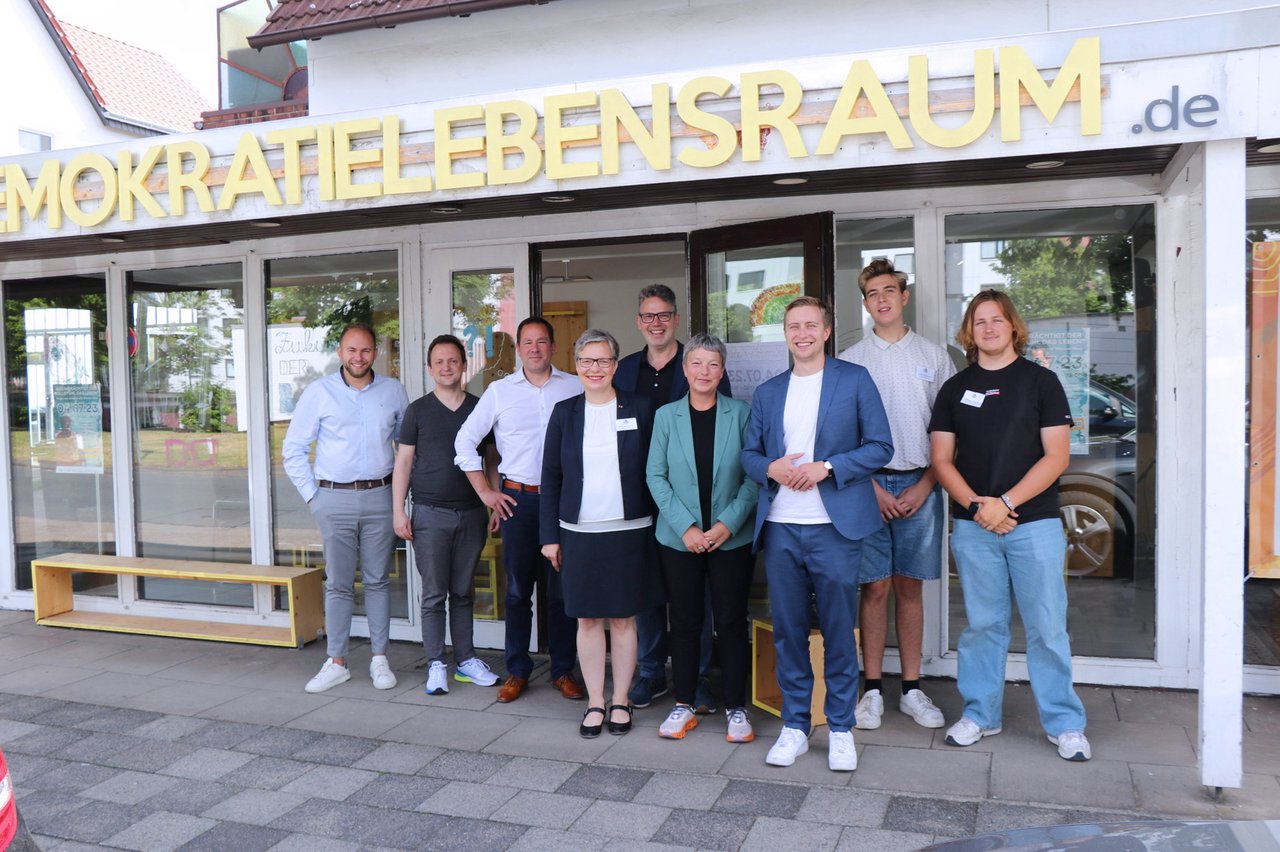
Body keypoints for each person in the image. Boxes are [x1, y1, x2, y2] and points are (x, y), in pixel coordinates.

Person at [929, 289, 1091, 762]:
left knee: (1047, 627)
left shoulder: (1041, 382)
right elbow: (941, 460)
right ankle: (980, 714)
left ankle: (1065, 724)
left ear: (1012, 326)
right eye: (979, 321)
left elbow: (1057, 457)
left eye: (997, 320)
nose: (988, 328)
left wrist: (1004, 502)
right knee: (983, 626)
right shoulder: (955, 389)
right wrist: (980, 508)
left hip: (1034, 523)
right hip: (976, 526)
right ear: (969, 331)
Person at [741, 297, 893, 771]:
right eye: (792, 326)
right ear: (784, 334)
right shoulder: (768, 392)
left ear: (827, 331)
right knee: (787, 632)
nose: (801, 333)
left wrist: (826, 467)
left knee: (837, 631)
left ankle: (842, 727)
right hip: (783, 526)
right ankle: (794, 726)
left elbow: (881, 446)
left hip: (835, 528)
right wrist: (773, 468)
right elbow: (749, 456)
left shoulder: (854, 380)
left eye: (810, 325)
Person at [838, 259, 954, 731]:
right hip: (866, 488)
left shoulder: (935, 356)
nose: (882, 299)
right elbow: (840, 436)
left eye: (889, 290)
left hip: (921, 484)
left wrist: (927, 483)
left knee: (909, 585)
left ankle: (911, 689)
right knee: (874, 587)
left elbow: (950, 431)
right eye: (872, 293)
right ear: (865, 304)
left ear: (904, 297)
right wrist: (869, 486)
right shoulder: (850, 361)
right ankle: (871, 692)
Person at [455, 317, 585, 703]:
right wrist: (487, 494)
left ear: (553, 346)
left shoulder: (576, 387)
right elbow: (464, 443)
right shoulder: (499, 391)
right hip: (518, 502)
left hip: (564, 501)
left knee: (563, 593)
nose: (534, 348)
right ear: (519, 349)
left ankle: (563, 670)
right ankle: (517, 670)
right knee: (516, 592)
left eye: (541, 341)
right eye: (527, 342)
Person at [614, 283, 731, 713]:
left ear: (676, 319)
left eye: (663, 315)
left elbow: (725, 434)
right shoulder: (625, 370)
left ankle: (695, 677)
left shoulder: (700, 364)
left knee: (692, 597)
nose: (656, 322)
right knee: (647, 591)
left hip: (697, 506)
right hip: (640, 497)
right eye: (648, 316)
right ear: (639, 322)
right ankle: (650, 673)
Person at [540, 329, 661, 737]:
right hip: (578, 530)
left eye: (604, 360)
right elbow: (551, 478)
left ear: (616, 364)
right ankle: (595, 701)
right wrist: (549, 536)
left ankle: (622, 700)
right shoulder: (564, 412)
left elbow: (656, 470)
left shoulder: (642, 408)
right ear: (577, 366)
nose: (596, 368)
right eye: (588, 361)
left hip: (631, 529)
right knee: (588, 620)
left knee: (625, 619)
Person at [284, 322, 409, 694]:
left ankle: (380, 659)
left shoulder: (393, 391)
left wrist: (402, 499)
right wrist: (314, 498)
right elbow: (293, 449)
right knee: (338, 583)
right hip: (332, 499)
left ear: (376, 352)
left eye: (366, 350)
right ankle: (336, 661)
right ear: (340, 353)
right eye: (352, 350)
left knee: (378, 581)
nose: (359, 357)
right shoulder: (319, 393)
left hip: (380, 497)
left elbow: (406, 450)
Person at [646, 334, 759, 743]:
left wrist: (727, 524)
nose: (704, 372)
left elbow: (753, 476)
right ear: (685, 369)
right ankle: (684, 703)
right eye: (696, 364)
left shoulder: (742, 414)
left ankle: (735, 708)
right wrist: (687, 528)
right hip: (680, 539)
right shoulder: (666, 417)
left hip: (731, 537)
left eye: (712, 364)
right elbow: (654, 477)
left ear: (722, 370)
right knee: (687, 622)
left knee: (730, 622)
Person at [392, 334, 499, 696]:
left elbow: (491, 460)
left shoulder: (479, 407)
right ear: (430, 368)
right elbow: (403, 462)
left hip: (472, 513)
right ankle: (436, 663)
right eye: (439, 362)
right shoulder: (418, 411)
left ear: (463, 365)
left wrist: (493, 501)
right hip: (429, 513)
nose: (447, 367)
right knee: (434, 594)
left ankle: (466, 661)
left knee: (464, 592)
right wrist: (398, 511)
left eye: (453, 360)